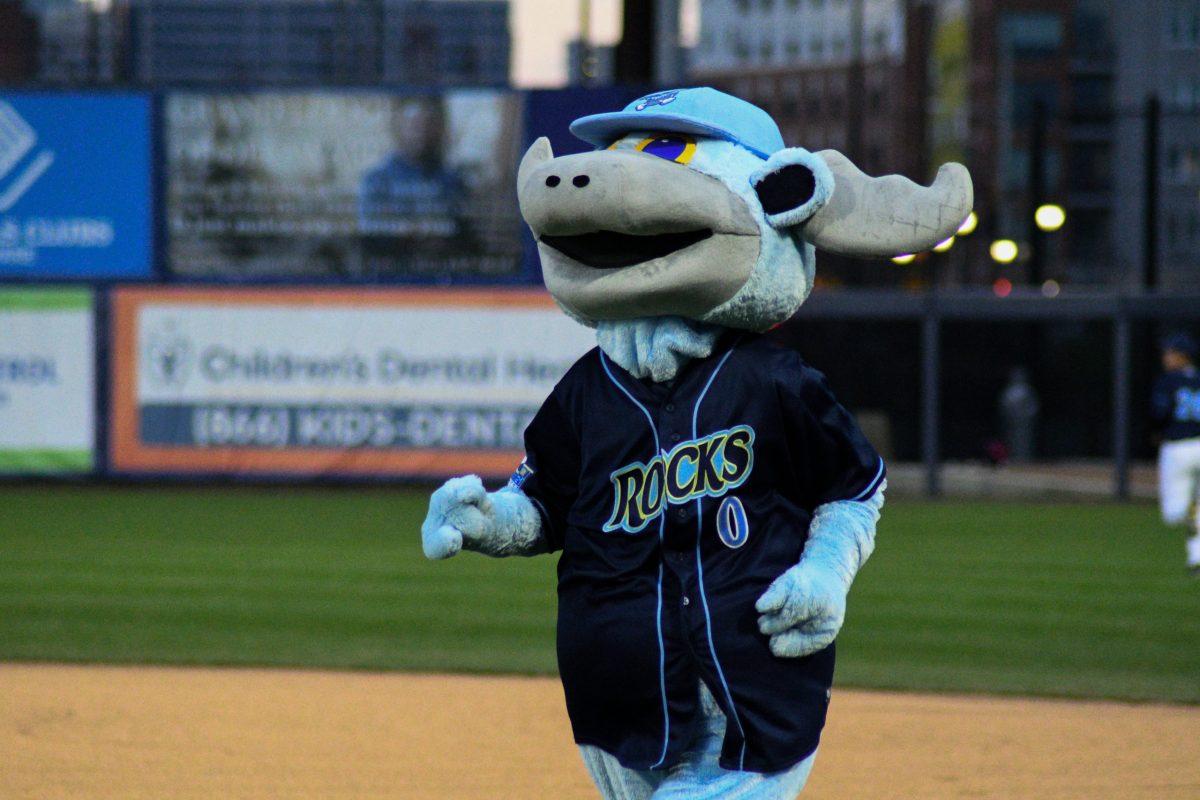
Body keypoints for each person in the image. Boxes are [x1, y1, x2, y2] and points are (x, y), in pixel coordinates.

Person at [1151, 332, 1200, 574]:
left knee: (1174, 513)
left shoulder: (1168, 381)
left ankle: (1197, 557)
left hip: (1178, 447)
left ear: (1182, 356)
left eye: (1170, 352)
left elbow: (1159, 414)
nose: (1166, 357)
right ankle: (1196, 556)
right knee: (1195, 509)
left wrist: (1155, 433)